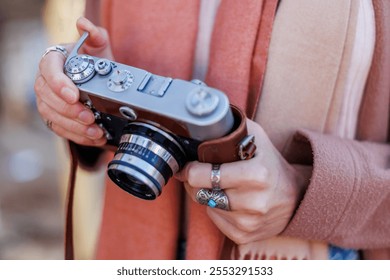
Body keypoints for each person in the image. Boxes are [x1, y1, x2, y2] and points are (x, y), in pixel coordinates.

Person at [34, 0, 390, 260]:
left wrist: (306, 194)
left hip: (312, 253)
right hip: (133, 247)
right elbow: (98, 42)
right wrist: (79, 99)